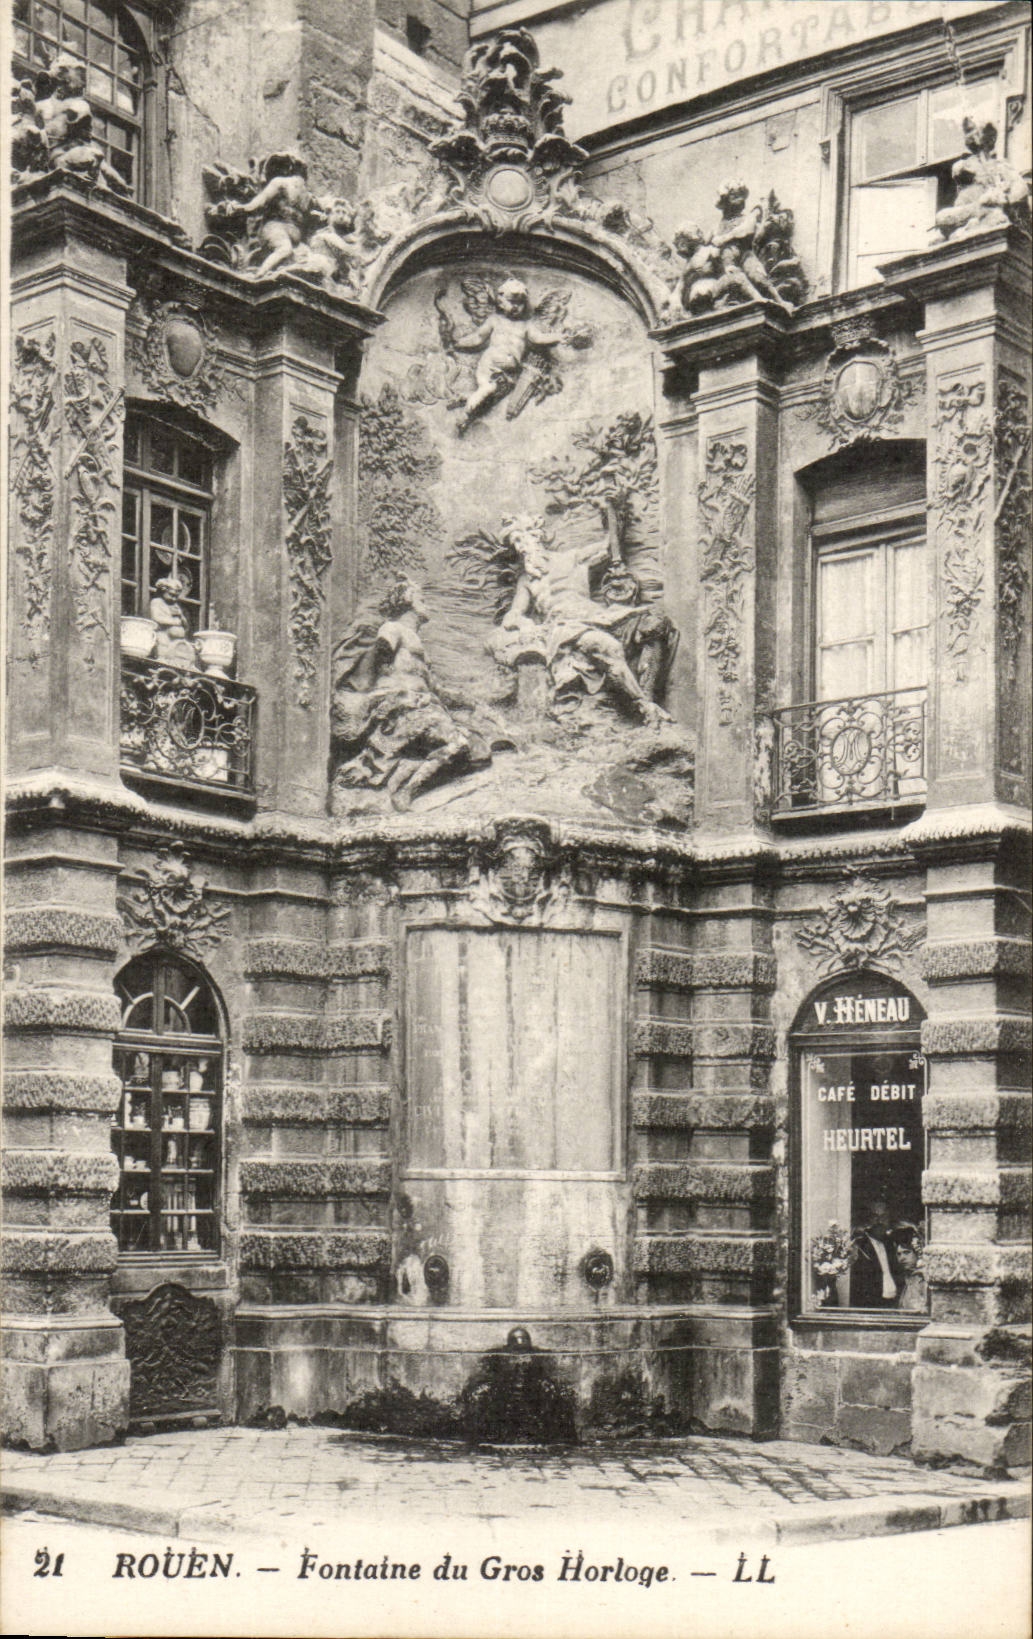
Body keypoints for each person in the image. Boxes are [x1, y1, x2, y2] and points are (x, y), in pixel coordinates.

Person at [849, 1197, 903, 1309]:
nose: (879, 1221)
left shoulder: (892, 1243)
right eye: (875, 1216)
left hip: (893, 1302)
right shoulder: (859, 1244)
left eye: (883, 1217)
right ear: (868, 1219)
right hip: (870, 1305)